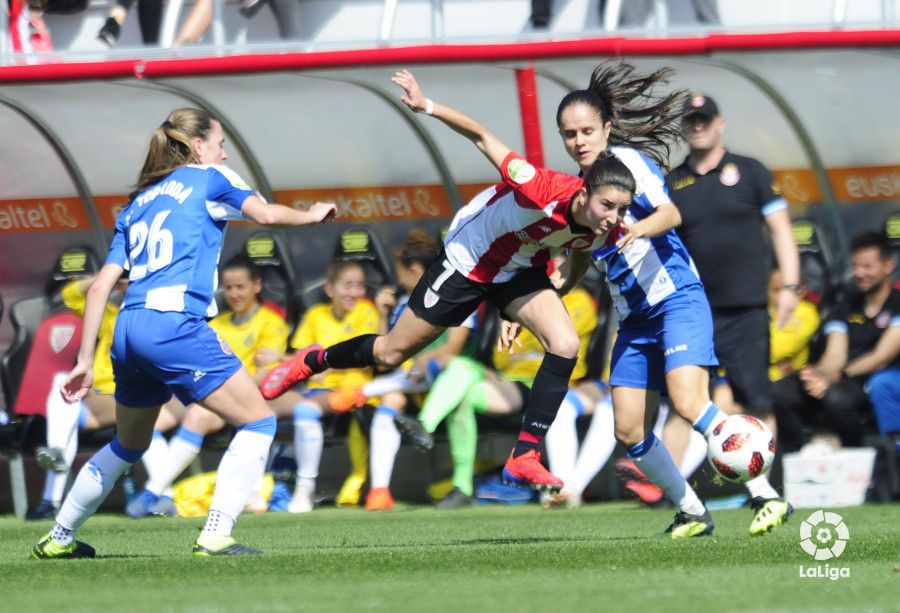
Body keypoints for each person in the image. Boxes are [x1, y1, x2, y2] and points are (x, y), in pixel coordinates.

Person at [262, 69, 633, 494]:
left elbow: (581, 254)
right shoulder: (542, 186)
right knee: (390, 352)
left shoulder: (604, 217)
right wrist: (427, 106)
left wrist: (544, 299)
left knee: (565, 344)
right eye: (570, 134)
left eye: (586, 132)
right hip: (467, 260)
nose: (614, 219)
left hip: (517, 268)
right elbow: (481, 135)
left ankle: (525, 454)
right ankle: (311, 361)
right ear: (584, 196)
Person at [32, 107, 335, 559]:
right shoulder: (211, 177)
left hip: (129, 326)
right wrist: (312, 216)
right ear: (198, 147)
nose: (225, 151)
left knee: (129, 443)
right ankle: (215, 534)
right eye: (219, 142)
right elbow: (267, 216)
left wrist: (81, 361)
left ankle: (58, 538)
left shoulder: (137, 204)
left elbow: (100, 286)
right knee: (259, 420)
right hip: (173, 324)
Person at [665, 92, 800, 529]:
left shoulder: (751, 171)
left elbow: (781, 230)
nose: (698, 125)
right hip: (692, 309)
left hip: (744, 307)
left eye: (704, 119)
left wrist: (790, 285)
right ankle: (672, 495)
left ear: (720, 123)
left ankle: (765, 491)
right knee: (685, 401)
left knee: (756, 397)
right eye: (691, 120)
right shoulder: (674, 182)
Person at [394, 270, 601, 509]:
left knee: (461, 379)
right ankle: (460, 485)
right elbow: (502, 357)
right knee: (460, 373)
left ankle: (428, 428)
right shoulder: (523, 301)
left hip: (543, 384)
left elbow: (562, 347)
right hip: (509, 380)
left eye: (554, 265)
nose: (547, 271)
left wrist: (526, 330)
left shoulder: (578, 301)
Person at [125, 254, 290, 518]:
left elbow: (264, 377)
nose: (234, 294)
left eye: (241, 287)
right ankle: (165, 494)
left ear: (257, 285)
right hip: (206, 392)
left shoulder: (272, 323)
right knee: (148, 421)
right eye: (229, 287)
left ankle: (150, 494)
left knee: (198, 414)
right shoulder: (217, 323)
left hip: (243, 402)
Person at [336, 229, 479, 511]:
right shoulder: (403, 304)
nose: (397, 280)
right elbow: (382, 357)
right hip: (408, 383)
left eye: (400, 273)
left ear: (414, 271)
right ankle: (379, 491)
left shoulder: (457, 296)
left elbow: (452, 349)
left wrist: (426, 359)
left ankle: (363, 391)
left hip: (446, 382)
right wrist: (382, 315)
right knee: (390, 403)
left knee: (435, 365)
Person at [29, 274, 184, 520]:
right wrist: (109, 277)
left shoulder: (161, 318)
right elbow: (69, 295)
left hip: (133, 394)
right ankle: (53, 478)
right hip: (96, 399)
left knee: (147, 426)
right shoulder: (111, 315)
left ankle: (162, 498)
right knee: (63, 386)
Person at [774, 231, 900, 451]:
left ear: (888, 265)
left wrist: (835, 377)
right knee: (778, 392)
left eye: (867, 266)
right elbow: (835, 353)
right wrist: (818, 374)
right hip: (838, 377)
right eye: (856, 266)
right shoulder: (846, 303)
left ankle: (858, 459)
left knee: (836, 398)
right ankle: (798, 455)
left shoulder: (897, 303)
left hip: (869, 378)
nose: (860, 273)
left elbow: (880, 356)